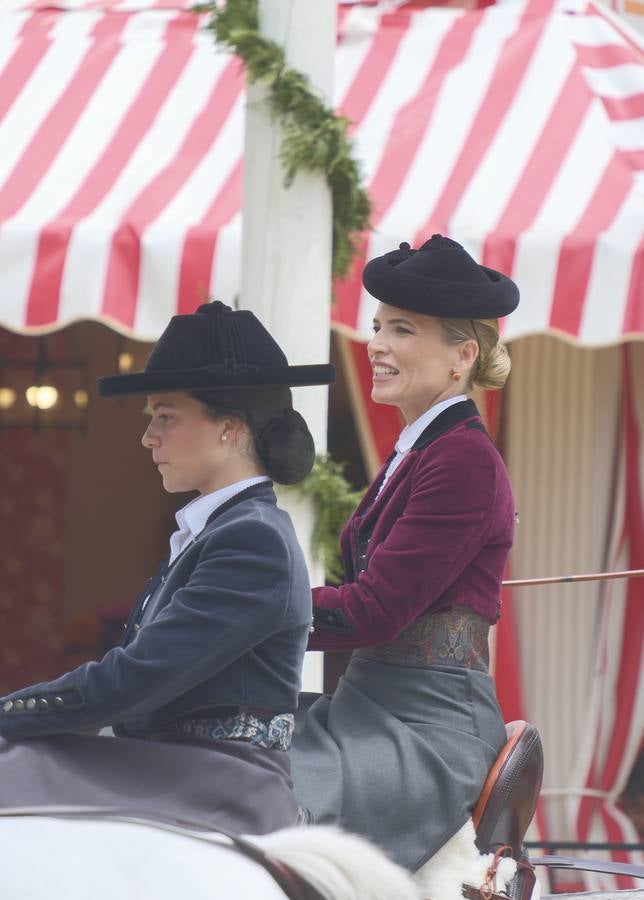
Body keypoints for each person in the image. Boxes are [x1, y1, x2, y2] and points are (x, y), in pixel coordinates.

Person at [0, 300, 334, 836]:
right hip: (172, 766)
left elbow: (134, 680)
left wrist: (9, 714)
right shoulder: (219, 530)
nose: (147, 437)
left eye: (165, 417)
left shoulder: (253, 539)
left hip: (220, 782)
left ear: (229, 427)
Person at [289, 235, 520, 871]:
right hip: (366, 705)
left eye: (402, 329)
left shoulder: (464, 459)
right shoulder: (419, 448)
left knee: (268, 794)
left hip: (428, 728)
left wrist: (255, 613)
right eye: (377, 326)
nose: (377, 344)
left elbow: (374, 611)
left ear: (462, 356)